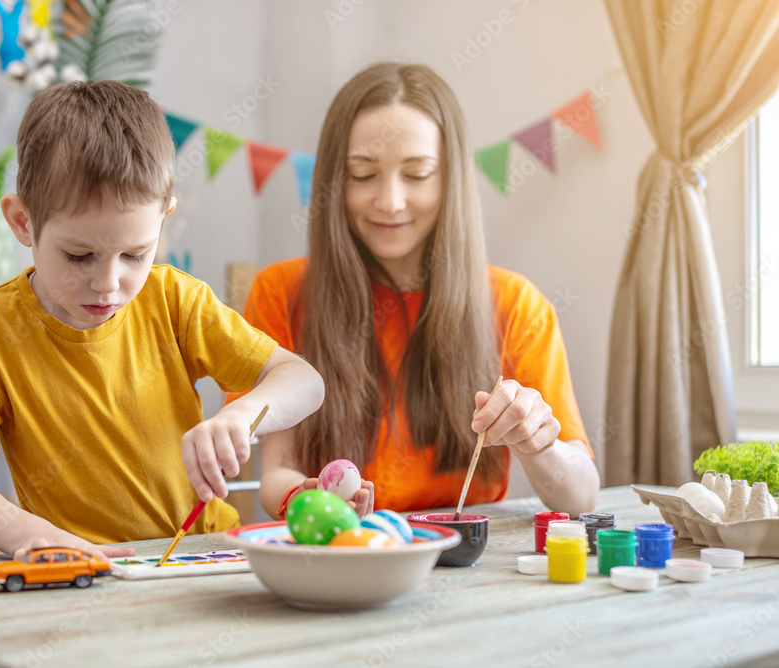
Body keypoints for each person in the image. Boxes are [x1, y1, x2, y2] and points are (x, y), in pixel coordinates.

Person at [0, 80, 324, 563]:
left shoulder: (177, 302)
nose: (108, 282)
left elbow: (304, 381)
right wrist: (21, 533)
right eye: (79, 255)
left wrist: (242, 415)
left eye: (135, 254)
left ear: (163, 220)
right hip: (78, 568)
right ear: (22, 222)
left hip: (202, 557)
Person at [229, 62, 599, 520]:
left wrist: (539, 446)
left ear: (451, 180)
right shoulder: (278, 292)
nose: (390, 201)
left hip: (467, 563)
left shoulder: (517, 305)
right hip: (340, 550)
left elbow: (581, 497)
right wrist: (309, 501)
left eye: (418, 174)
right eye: (363, 174)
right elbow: (278, 471)